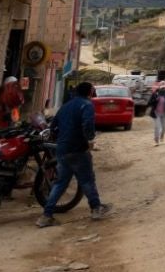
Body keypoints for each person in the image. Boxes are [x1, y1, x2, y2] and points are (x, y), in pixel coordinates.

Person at [37, 82, 111, 227]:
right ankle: (96, 208)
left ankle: (46, 216)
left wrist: (61, 140)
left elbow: (53, 126)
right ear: (90, 92)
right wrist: (90, 139)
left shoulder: (65, 106)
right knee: (87, 180)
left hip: (62, 149)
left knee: (60, 183)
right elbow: (87, 124)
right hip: (78, 149)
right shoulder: (87, 105)